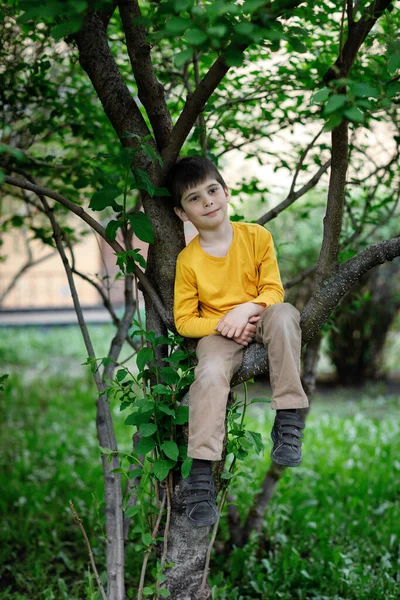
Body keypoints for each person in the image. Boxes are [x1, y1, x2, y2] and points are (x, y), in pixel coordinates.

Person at [166, 156, 309, 528]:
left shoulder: (256, 236)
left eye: (213, 190)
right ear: (183, 214)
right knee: (210, 372)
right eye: (194, 199)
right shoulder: (188, 261)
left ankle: (289, 419)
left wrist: (244, 310)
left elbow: (273, 291)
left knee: (286, 314)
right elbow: (184, 320)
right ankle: (200, 474)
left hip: (261, 316)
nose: (208, 201)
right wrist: (225, 325)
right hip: (217, 335)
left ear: (226, 192)